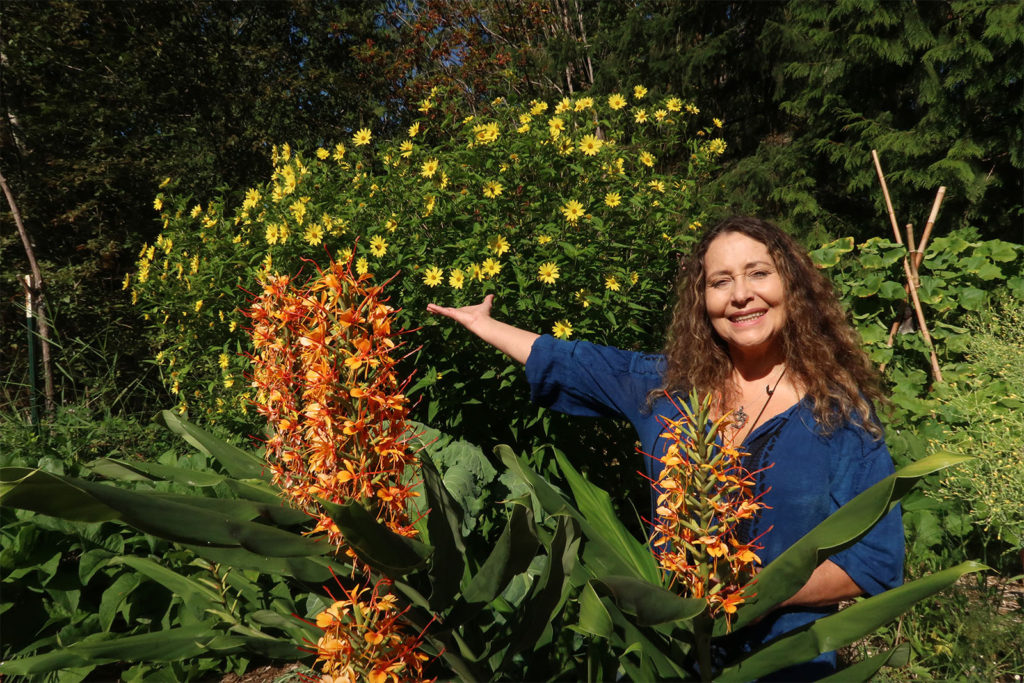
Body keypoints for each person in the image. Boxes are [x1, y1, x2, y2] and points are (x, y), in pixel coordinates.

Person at [426, 216, 904, 680]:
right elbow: (577, 362)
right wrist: (485, 325)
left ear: (793, 287)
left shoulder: (840, 415)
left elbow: (875, 564)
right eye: (721, 282)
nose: (741, 295)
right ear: (703, 301)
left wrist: (758, 595)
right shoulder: (667, 387)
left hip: (783, 662)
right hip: (665, 658)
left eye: (759, 273)